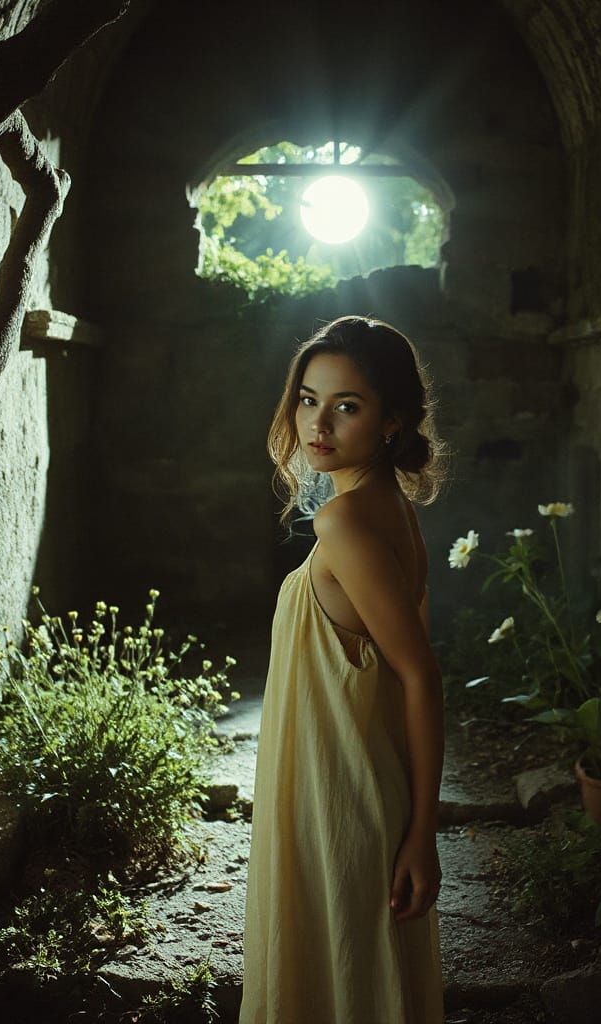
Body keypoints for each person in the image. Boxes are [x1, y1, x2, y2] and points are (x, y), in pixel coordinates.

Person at [238, 315, 450, 1023]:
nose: (316, 423)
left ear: (391, 421)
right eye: (307, 398)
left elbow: (420, 675)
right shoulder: (388, 506)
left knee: (340, 978)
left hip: (341, 794)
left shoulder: (346, 522)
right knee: (354, 978)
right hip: (349, 778)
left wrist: (423, 833)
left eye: (346, 406)